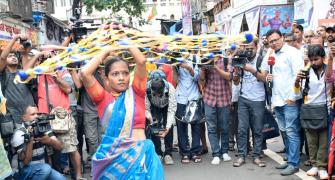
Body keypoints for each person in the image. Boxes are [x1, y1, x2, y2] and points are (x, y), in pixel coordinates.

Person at [80, 46, 164, 179]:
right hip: (114, 162)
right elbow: (85, 73)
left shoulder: (137, 93)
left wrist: (127, 45)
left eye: (125, 73)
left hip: (141, 158)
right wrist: (105, 51)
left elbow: (141, 62)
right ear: (106, 78)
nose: (121, 78)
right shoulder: (102, 99)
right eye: (115, 74)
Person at [251, 29, 304, 175]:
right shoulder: (271, 53)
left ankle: (294, 163)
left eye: (276, 40)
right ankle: (289, 160)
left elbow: (298, 76)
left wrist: (293, 97)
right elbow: (263, 71)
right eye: (271, 41)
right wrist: (268, 52)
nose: (274, 43)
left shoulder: (292, 53)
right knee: (285, 131)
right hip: (277, 99)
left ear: (282, 38)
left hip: (290, 100)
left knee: (292, 131)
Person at [24, 51, 83, 179]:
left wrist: (54, 74)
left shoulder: (63, 71)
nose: (48, 59)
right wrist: (38, 56)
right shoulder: (38, 73)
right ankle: (54, 174)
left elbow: (68, 89)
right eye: (46, 57)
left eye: (51, 56)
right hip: (44, 116)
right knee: (49, 150)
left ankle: (78, 176)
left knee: (71, 148)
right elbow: (25, 73)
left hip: (63, 115)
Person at [294, 45, 331, 179]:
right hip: (309, 109)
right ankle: (314, 165)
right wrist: (297, 80)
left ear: (323, 58)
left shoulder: (329, 71)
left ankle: (322, 166)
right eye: (311, 59)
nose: (314, 62)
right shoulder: (305, 71)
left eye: (316, 59)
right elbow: (297, 91)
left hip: (324, 109)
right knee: (311, 140)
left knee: (323, 140)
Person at [232, 39, 266, 168]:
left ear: (257, 47)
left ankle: (256, 156)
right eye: (246, 48)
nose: (248, 50)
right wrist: (236, 70)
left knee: (257, 129)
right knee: (241, 129)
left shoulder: (261, 60)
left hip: (258, 99)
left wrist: (252, 70)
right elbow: (235, 82)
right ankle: (241, 156)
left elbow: (263, 78)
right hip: (243, 99)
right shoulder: (241, 59)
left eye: (251, 48)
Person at [11, 105, 65, 180]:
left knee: (61, 178)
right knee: (45, 168)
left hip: (42, 170)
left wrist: (49, 141)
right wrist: (31, 139)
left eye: (38, 114)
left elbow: (60, 147)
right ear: (24, 118)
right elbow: (26, 162)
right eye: (33, 114)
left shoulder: (42, 128)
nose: (36, 116)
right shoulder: (20, 133)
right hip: (23, 172)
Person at [200, 51, 232, 165]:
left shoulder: (226, 59)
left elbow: (229, 76)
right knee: (211, 128)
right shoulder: (205, 57)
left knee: (224, 127)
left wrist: (214, 67)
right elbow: (202, 79)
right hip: (209, 98)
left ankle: (225, 151)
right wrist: (203, 68)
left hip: (224, 98)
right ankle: (216, 153)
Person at [0, 34, 35, 125]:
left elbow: (27, 69)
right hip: (13, 117)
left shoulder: (22, 73)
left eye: (15, 56)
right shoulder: (3, 75)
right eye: (10, 56)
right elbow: (3, 57)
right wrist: (15, 38)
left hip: (30, 115)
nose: (13, 57)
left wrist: (25, 53)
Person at [174, 52, 202, 164]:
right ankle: (184, 152)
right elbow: (175, 80)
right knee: (181, 126)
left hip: (194, 96)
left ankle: (195, 152)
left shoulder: (196, 58)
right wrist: (174, 67)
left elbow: (198, 78)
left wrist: (189, 68)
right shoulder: (175, 59)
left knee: (196, 126)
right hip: (181, 97)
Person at [145, 71, 176, 165]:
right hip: (154, 106)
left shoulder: (170, 88)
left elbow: (172, 110)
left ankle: (168, 153)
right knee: (154, 127)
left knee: (169, 127)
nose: (157, 96)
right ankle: (158, 152)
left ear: (163, 89)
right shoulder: (146, 89)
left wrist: (167, 128)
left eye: (160, 94)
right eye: (155, 94)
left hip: (167, 106)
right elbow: (146, 108)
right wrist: (150, 119)